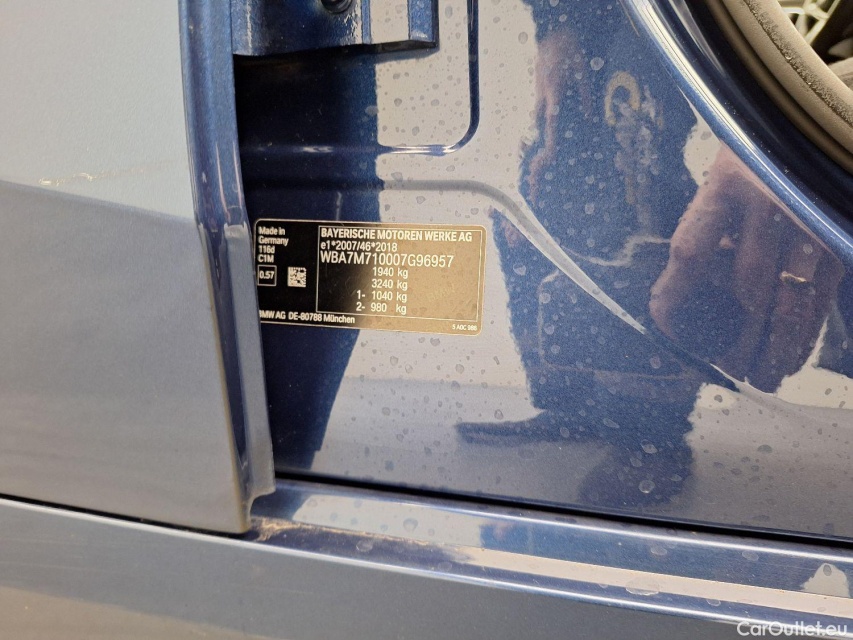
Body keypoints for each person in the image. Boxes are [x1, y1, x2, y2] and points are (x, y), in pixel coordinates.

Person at [457, 1, 842, 509]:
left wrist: (773, 134)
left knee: (637, 180)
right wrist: (555, 25)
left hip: (657, 14)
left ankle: (652, 442)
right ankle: (572, 407)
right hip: (586, 14)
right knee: (548, 195)